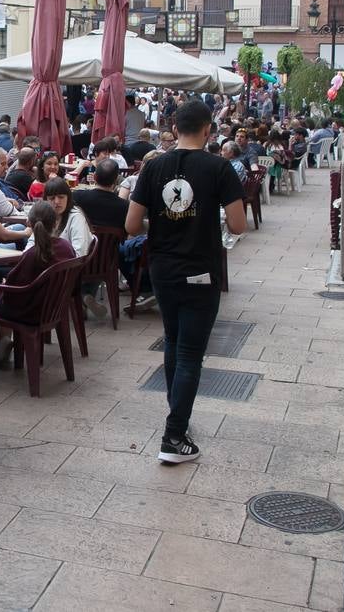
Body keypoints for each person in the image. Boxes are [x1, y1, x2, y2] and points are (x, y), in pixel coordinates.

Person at [127, 99, 246, 465]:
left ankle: (177, 415)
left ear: (175, 128)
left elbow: (131, 225)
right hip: (200, 270)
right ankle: (174, 435)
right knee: (191, 353)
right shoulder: (219, 168)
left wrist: (164, 222)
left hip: (162, 269)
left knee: (173, 342)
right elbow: (238, 225)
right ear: (208, 130)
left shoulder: (153, 166)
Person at [73, 158, 130, 231]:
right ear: (116, 180)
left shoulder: (77, 197)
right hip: (112, 239)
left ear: (94, 177)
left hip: (82, 237)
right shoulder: (125, 206)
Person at [41, 178, 93, 257]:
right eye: (52, 198)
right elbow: (32, 243)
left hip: (68, 263)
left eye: (61, 197)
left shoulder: (76, 218)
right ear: (46, 200)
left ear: (68, 198)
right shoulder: (44, 215)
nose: (57, 202)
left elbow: (79, 254)